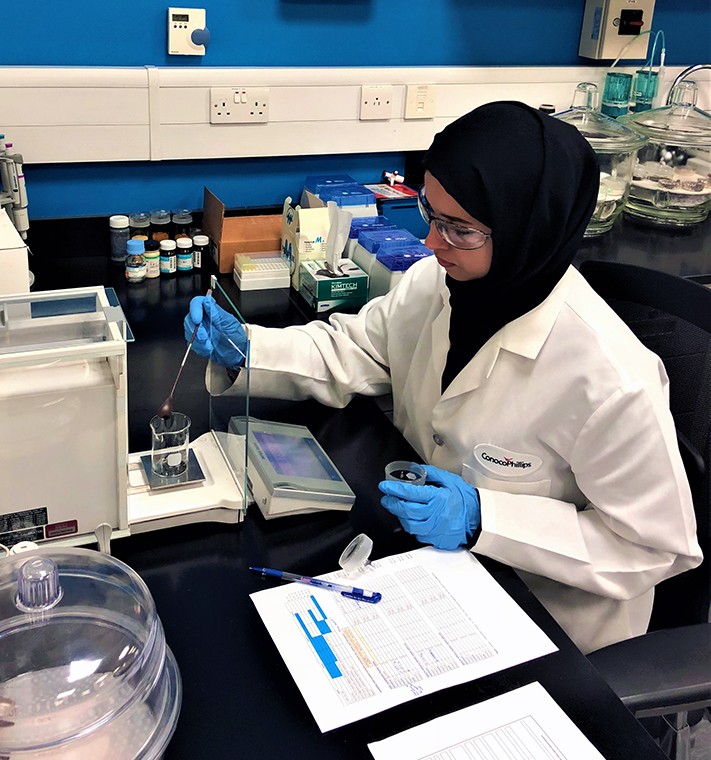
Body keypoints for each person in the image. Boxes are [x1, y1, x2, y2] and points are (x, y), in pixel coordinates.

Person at [184, 101, 702, 654]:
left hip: (550, 624)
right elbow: (356, 347)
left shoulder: (611, 379)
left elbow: (653, 548)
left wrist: (487, 518)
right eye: (430, 214)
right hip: (435, 580)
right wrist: (249, 347)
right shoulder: (438, 281)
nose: (431, 244)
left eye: (461, 230)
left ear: (530, 228)